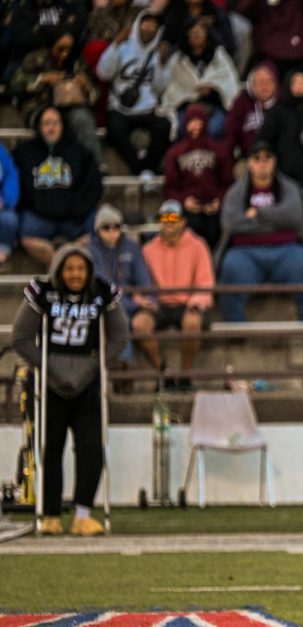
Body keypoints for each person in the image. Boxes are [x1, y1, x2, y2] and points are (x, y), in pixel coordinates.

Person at [11, 245, 129, 535]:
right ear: (59, 270)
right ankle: (50, 514)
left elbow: (120, 335)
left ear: (89, 270)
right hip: (50, 384)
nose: (75, 274)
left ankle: (82, 514)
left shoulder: (101, 291)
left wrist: (92, 366)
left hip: (88, 382)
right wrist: (49, 367)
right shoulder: (43, 291)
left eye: (81, 268)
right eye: (69, 268)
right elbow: (21, 337)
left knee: (91, 449)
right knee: (50, 448)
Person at [217, 140, 303, 323]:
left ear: (274, 161)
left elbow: (295, 217)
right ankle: (236, 331)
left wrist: (258, 213)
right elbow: (231, 223)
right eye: (257, 159)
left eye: (267, 158)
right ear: (249, 163)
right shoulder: (236, 192)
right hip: (245, 253)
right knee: (230, 266)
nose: (262, 164)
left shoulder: (289, 187)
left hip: (287, 249)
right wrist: (277, 220)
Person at [14, 105, 103, 267]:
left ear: (63, 125)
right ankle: (59, 265)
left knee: (97, 227)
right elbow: (16, 184)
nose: (51, 128)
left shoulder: (79, 151)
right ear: (39, 127)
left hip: (73, 217)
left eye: (55, 123)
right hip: (39, 217)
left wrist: (78, 209)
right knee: (24, 232)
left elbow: (94, 184)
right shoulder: (24, 152)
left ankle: (70, 259)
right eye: (46, 123)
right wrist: (33, 204)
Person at [139, 200, 215, 389]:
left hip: (187, 303)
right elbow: (140, 283)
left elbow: (205, 282)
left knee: (192, 323)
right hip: (158, 304)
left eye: (174, 219)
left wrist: (196, 303)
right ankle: (163, 373)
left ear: (183, 222)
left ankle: (185, 377)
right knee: (139, 324)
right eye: (165, 219)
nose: (169, 223)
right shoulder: (147, 250)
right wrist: (144, 301)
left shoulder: (198, 245)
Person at [95, 10, 173, 178]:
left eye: (154, 25)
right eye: (146, 23)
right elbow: (103, 73)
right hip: (120, 108)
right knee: (114, 129)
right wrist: (115, 45)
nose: (149, 29)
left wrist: (162, 64)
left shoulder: (158, 54)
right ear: (138, 25)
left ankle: (147, 168)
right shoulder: (122, 48)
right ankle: (141, 169)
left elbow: (160, 88)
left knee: (164, 126)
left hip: (147, 109)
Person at [9, 30, 102, 165]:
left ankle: (94, 166)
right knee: (52, 121)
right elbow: (16, 85)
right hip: (39, 106)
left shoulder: (77, 62)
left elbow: (95, 94)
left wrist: (85, 85)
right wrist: (42, 79)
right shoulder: (36, 58)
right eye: (61, 49)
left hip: (70, 107)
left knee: (83, 119)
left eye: (68, 49)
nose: (65, 53)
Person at [163, 103, 233, 251]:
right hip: (187, 208)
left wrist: (219, 200)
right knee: (184, 227)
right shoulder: (174, 153)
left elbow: (228, 182)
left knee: (217, 230)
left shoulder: (219, 150)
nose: (196, 127)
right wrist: (184, 201)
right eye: (192, 122)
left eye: (199, 122)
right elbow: (169, 188)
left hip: (214, 207)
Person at [158, 14, 240, 139]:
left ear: (207, 34)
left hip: (213, 107)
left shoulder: (219, 56)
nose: (196, 34)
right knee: (181, 129)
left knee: (213, 130)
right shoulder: (178, 58)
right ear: (187, 35)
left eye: (200, 30)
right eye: (193, 31)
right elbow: (169, 85)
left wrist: (213, 90)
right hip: (185, 107)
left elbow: (230, 84)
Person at [87, 205, 154, 343]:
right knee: (117, 317)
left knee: (141, 322)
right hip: (108, 304)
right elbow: (103, 287)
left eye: (116, 227)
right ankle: (121, 361)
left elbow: (144, 280)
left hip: (132, 303)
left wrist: (145, 299)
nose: (112, 231)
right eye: (106, 227)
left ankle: (160, 365)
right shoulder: (90, 252)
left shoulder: (131, 247)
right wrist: (133, 303)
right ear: (97, 230)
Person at [224, 62, 279, 164]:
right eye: (261, 82)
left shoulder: (282, 105)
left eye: (269, 82)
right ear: (252, 85)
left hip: (277, 160)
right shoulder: (241, 103)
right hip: (248, 159)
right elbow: (230, 135)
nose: (265, 86)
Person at [0, 142, 18, 269]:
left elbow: (12, 177)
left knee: (9, 220)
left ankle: (2, 251)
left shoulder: (1, 152)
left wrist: (4, 200)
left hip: (1, 205)